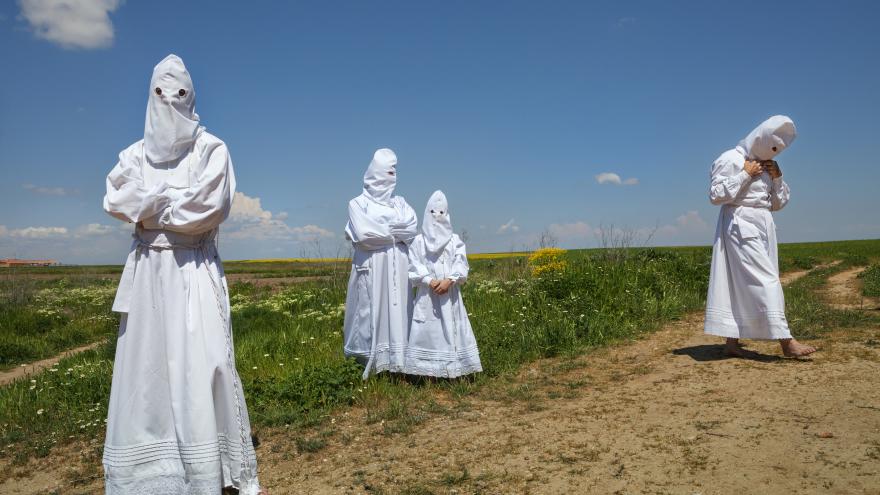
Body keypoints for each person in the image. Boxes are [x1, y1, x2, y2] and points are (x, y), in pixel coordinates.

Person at [102, 54, 262, 494]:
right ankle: (151, 475)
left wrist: (150, 205)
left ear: (192, 96)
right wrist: (169, 205)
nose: (169, 102)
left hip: (194, 272)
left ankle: (209, 471)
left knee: (203, 363)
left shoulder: (212, 149)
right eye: (160, 92)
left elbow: (206, 210)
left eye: (180, 94)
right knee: (147, 370)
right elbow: (115, 198)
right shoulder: (133, 154)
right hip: (149, 273)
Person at [704, 115, 816, 358]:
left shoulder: (768, 164)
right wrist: (744, 174)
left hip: (763, 224)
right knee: (766, 280)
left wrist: (777, 178)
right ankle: (786, 342)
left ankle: (731, 342)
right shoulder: (730, 159)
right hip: (740, 224)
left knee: (744, 281)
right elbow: (715, 195)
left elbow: (777, 204)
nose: (772, 154)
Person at [343, 148, 418, 379]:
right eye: (387, 172)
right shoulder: (357, 204)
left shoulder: (401, 203)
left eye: (394, 173)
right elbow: (365, 235)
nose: (391, 178)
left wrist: (386, 232)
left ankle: (400, 359)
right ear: (374, 173)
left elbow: (412, 227)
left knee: (400, 307)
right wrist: (395, 234)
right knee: (369, 310)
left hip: (399, 265)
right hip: (372, 267)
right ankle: (367, 359)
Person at [405, 190, 482, 378]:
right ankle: (426, 373)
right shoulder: (418, 241)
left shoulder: (455, 240)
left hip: (449, 294)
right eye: (433, 212)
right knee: (428, 331)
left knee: (451, 328)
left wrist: (450, 280)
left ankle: (454, 369)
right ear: (426, 212)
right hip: (427, 294)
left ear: (447, 214)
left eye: (441, 213)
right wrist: (429, 281)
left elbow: (461, 262)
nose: (437, 217)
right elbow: (414, 264)